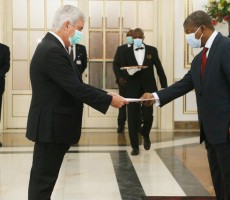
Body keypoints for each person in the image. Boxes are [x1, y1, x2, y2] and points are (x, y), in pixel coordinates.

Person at [141, 11, 230, 199]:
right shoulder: (200, 59)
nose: (188, 37)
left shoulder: (228, 47)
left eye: (189, 32)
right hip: (211, 132)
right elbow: (183, 85)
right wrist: (155, 96)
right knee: (220, 181)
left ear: (202, 28)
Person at [26, 5, 128, 200]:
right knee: (42, 182)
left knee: (44, 181)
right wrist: (109, 99)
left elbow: (72, 85)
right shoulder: (52, 50)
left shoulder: (55, 47)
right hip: (50, 128)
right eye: (79, 29)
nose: (80, 34)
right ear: (67, 25)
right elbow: (76, 88)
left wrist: (103, 94)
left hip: (54, 128)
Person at [124, 28, 167, 156]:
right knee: (132, 118)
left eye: (139, 36)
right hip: (132, 88)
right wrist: (127, 73)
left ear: (143, 37)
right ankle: (135, 147)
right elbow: (121, 68)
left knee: (148, 116)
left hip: (148, 88)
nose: (137, 39)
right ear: (132, 38)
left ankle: (145, 133)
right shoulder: (125, 51)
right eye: (135, 37)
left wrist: (164, 87)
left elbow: (159, 68)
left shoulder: (152, 50)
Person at [113, 29, 133, 133]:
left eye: (131, 35)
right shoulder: (120, 49)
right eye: (128, 35)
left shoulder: (138, 49)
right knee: (122, 105)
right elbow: (115, 64)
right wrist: (119, 77)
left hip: (135, 83)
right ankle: (121, 125)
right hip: (123, 82)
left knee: (135, 105)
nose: (129, 37)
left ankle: (135, 126)